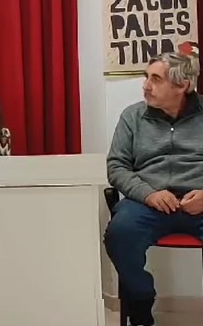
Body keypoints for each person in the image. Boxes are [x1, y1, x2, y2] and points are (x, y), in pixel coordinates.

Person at [105, 47, 203, 326]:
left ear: (182, 85)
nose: (146, 86)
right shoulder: (132, 117)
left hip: (199, 201)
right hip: (148, 203)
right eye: (146, 77)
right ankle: (140, 302)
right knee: (120, 234)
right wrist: (148, 194)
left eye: (156, 79)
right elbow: (117, 167)